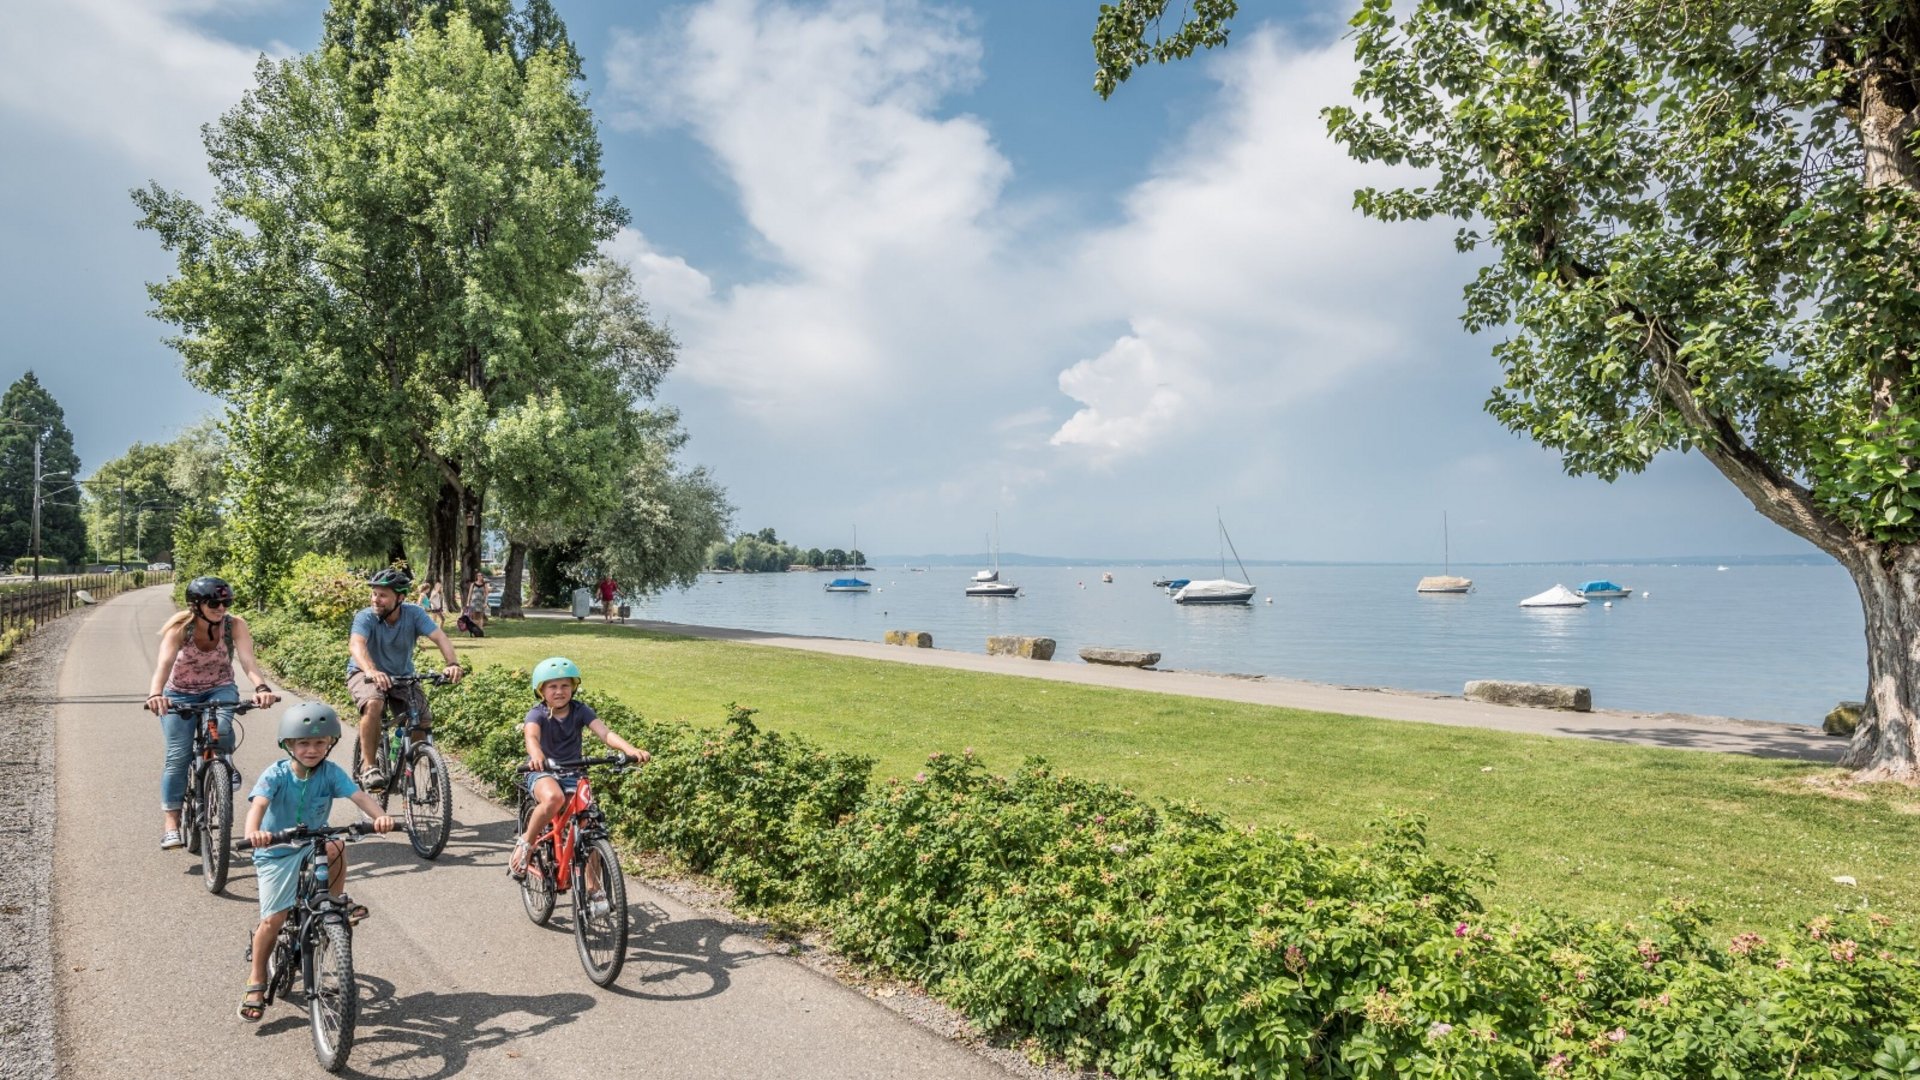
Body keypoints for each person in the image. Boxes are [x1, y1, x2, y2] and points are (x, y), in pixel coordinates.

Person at [238, 703, 394, 1022]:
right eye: (304, 743)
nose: (312, 750)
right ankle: (256, 980)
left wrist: (381, 818)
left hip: (313, 844)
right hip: (276, 850)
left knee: (337, 843)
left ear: (330, 744)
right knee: (274, 919)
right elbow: (259, 805)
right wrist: (253, 833)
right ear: (289, 745)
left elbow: (360, 797)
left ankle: (334, 903)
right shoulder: (276, 774)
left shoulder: (330, 773)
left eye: (320, 743)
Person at [143, 575, 278, 850]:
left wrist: (261, 687)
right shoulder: (181, 630)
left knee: (223, 729)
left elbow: (247, 660)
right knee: (177, 757)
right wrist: (156, 695)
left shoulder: (234, 625)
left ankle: (224, 762)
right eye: (214, 602)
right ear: (196, 605)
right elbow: (164, 665)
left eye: (226, 602)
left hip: (220, 688)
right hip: (179, 693)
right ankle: (171, 825)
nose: (221, 607)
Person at [508, 657, 650, 879]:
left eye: (565, 685)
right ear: (541, 690)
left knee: (589, 823)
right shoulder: (537, 714)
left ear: (573, 688)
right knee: (554, 798)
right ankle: (526, 843)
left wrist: (630, 750)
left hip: (573, 772)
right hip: (543, 771)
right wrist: (537, 755)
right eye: (552, 686)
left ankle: (593, 890)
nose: (559, 691)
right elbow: (532, 737)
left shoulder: (580, 710)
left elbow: (605, 733)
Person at [346, 567, 463, 791]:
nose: (375, 599)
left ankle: (402, 769)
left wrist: (452, 664)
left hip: (402, 676)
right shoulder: (365, 617)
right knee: (374, 703)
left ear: (400, 598)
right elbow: (356, 645)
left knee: (422, 718)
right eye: (374, 594)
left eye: (382, 595)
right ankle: (369, 767)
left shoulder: (414, 614)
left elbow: (439, 637)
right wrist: (371, 670)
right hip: (364, 673)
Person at [463, 568, 490, 633]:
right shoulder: (473, 584)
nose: (479, 577)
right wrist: (467, 602)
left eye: (480, 575)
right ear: (476, 577)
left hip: (481, 602)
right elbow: (470, 594)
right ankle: (475, 630)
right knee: (474, 617)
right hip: (474, 602)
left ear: (482, 577)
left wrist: (486, 603)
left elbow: (486, 594)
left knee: (480, 616)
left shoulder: (484, 585)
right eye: (478, 576)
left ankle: (480, 630)